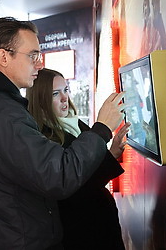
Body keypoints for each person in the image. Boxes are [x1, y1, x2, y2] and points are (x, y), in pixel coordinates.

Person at [0, 17, 125, 250]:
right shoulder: (1, 112)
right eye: (33, 55)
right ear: (4, 57)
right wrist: (102, 128)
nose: (38, 64)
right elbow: (57, 175)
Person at [26, 68, 129, 249]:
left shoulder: (75, 123)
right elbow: (73, 185)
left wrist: (111, 153)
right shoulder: (43, 137)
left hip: (99, 223)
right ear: (40, 99)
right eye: (55, 94)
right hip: (81, 230)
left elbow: (87, 173)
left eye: (66, 90)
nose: (65, 98)